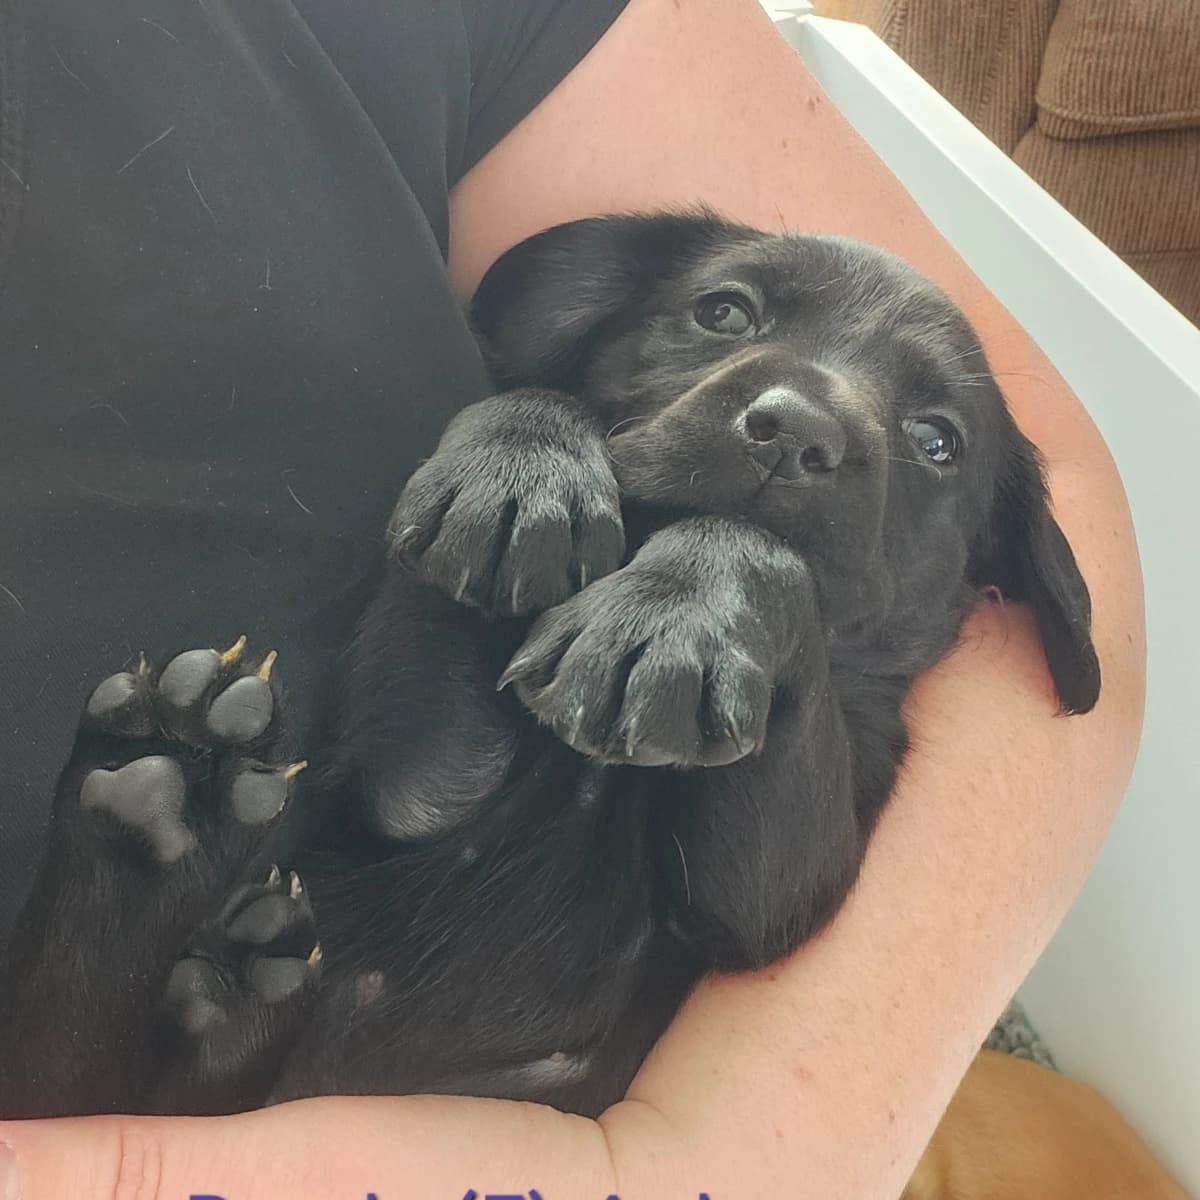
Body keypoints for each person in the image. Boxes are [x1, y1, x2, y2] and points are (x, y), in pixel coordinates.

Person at [0, 0, 1144, 1196]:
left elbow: (746, 915)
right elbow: (412, 778)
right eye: (726, 315)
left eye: (936, 440)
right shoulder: (548, 476)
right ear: (590, 321)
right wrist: (523, 427)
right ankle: (130, 916)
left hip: (490, 1088)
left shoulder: (844, 718)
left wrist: (755, 597)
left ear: (990, 576)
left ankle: (125, 895)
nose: (807, 415)